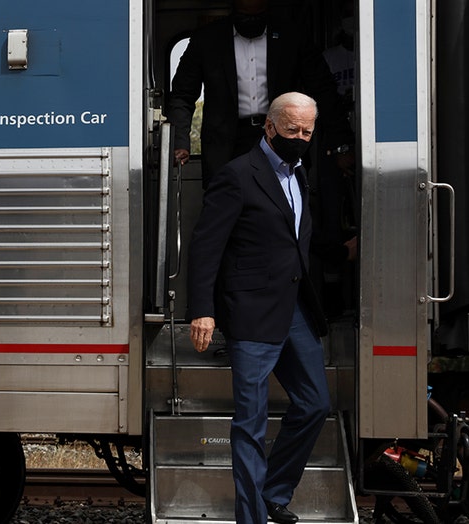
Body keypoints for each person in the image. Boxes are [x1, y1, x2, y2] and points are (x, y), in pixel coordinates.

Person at [186, 92, 331, 524]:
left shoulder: (301, 173)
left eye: (307, 132)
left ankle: (273, 493)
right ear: (269, 127)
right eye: (292, 130)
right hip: (250, 313)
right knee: (250, 424)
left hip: (296, 309)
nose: (300, 138)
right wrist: (202, 309)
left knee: (315, 404)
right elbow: (206, 246)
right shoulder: (237, 176)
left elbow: (293, 240)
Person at [168, 0, 352, 188]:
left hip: (281, 139)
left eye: (257, 16)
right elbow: (182, 94)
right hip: (225, 146)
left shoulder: (292, 35)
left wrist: (341, 145)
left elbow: (323, 91)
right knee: (228, 203)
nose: (251, 20)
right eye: (244, 15)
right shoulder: (207, 39)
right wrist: (178, 142)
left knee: (282, 203)